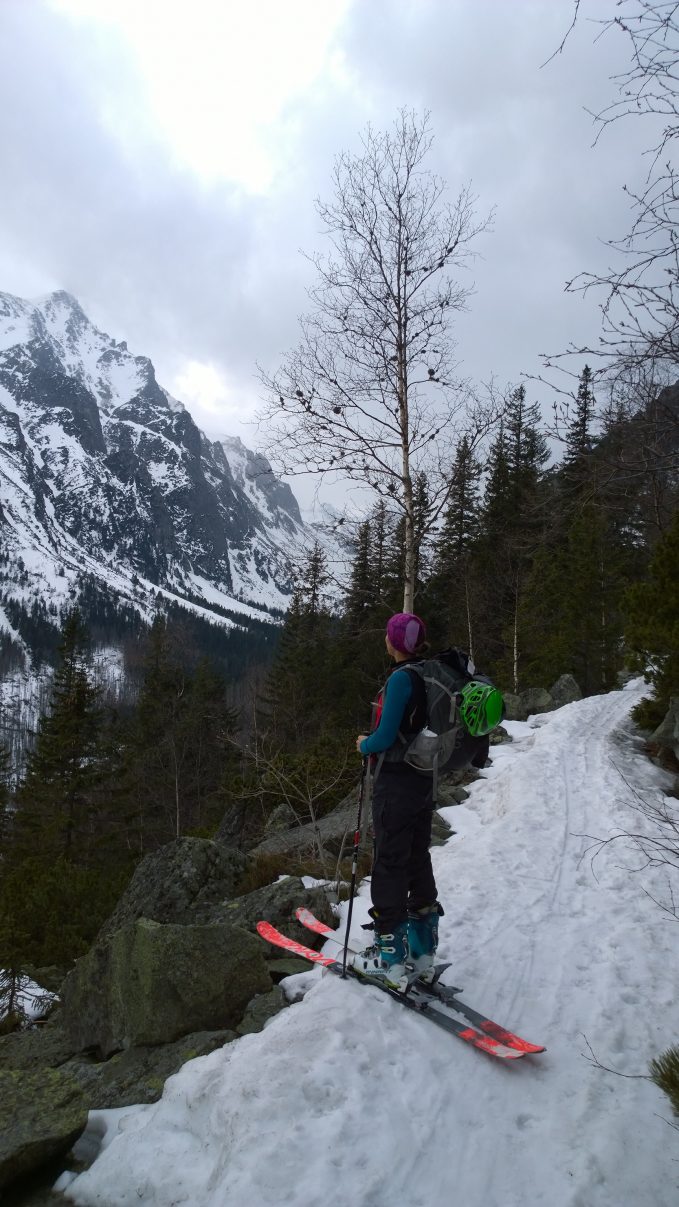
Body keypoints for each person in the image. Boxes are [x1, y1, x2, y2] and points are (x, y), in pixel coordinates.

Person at [353, 611, 443, 990]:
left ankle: (389, 958)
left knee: (389, 862)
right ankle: (422, 954)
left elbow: (385, 735)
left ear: (394, 643)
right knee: (417, 857)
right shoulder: (430, 673)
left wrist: (364, 744)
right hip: (424, 780)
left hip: (397, 783)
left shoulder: (401, 679)